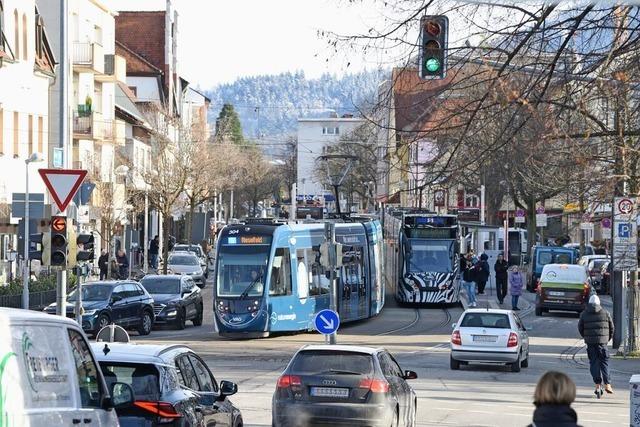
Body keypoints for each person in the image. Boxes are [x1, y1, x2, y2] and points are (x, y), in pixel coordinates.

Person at [578, 294, 614, 397]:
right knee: (604, 363)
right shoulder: (605, 313)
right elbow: (612, 328)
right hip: (602, 343)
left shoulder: (584, 314)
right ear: (599, 303)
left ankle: (598, 384)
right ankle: (607, 384)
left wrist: (586, 337)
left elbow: (580, 328)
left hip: (591, 343)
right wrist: (607, 339)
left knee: (594, 363)